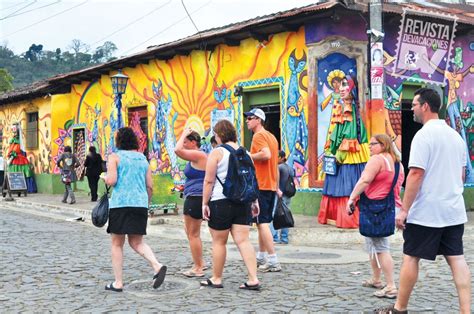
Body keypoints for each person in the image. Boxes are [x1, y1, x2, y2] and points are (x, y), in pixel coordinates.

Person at [381, 88, 471, 313]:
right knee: (457, 259)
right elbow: (461, 175)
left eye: (414, 104)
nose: (411, 108)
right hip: (453, 210)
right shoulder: (456, 137)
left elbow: (415, 174)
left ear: (425, 107)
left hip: (427, 212)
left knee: (411, 257)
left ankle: (400, 308)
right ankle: (465, 310)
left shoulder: (423, 136)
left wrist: (404, 210)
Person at [102, 127, 167, 292]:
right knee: (137, 242)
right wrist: (146, 203)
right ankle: (156, 265)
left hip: (121, 204)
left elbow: (112, 180)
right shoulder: (142, 159)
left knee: (117, 244)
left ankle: (118, 282)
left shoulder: (114, 157)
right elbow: (150, 186)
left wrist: (105, 177)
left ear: (119, 141)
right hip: (140, 204)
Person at [201, 119, 260, 290]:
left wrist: (204, 203)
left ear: (219, 135)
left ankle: (217, 278)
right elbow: (251, 180)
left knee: (219, 242)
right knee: (243, 241)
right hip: (243, 202)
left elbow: (209, 181)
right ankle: (253, 278)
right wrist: (254, 201)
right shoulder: (246, 153)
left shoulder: (217, 152)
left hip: (220, 201)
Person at [346, 134, 404, 299]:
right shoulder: (398, 164)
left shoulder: (377, 160)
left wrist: (351, 197)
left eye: (373, 144)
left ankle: (391, 286)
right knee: (372, 244)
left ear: (383, 144)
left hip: (376, 208)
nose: (369, 147)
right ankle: (376, 279)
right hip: (391, 206)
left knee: (381, 248)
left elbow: (364, 180)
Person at [318, 74, 370, 228]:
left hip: (350, 153)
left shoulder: (351, 108)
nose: (341, 88)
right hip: (345, 152)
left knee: (347, 182)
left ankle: (349, 218)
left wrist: (336, 154)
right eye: (340, 85)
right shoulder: (345, 106)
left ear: (353, 88)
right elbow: (338, 133)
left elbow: (348, 134)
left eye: (345, 84)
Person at [245, 108, 282, 272]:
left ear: (258, 120)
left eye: (250, 118)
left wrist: (248, 156)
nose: (247, 121)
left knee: (263, 224)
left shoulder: (259, 136)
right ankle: (261, 257)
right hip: (271, 184)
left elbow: (266, 155)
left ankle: (273, 260)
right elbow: (275, 164)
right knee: (261, 222)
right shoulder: (272, 137)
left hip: (262, 184)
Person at [174, 128, 207, 277]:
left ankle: (198, 267)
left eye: (186, 142)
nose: (184, 144)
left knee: (193, 234)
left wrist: (184, 133)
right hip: (193, 195)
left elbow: (177, 150)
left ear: (193, 143)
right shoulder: (196, 157)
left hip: (195, 197)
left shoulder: (199, 154)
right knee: (191, 233)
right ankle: (200, 262)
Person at [272, 150, 295, 244]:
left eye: (277, 157)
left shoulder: (279, 167)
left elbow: (275, 179)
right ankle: (284, 238)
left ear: (281, 158)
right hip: (288, 195)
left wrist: (277, 190)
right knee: (285, 215)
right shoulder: (289, 168)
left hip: (280, 195)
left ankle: (274, 237)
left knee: (274, 215)